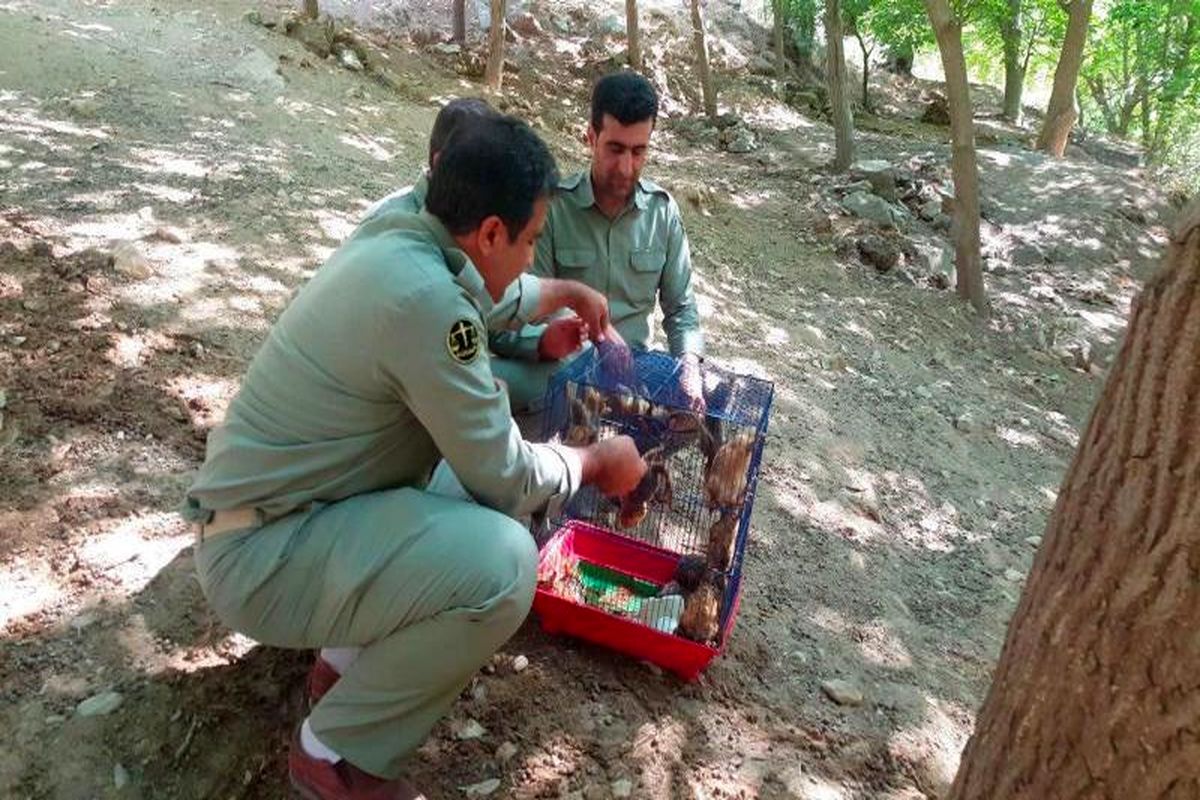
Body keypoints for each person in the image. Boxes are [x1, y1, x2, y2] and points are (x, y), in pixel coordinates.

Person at [183, 115, 646, 800]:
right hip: (261, 559)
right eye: (529, 241)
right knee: (503, 561)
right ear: (490, 232)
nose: (530, 259)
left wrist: (566, 294)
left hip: (277, 521)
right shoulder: (430, 305)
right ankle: (337, 754)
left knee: (462, 484)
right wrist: (597, 460)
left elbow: (503, 292)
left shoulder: (404, 232)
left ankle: (342, 670)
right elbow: (509, 476)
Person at [490, 71, 706, 412]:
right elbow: (528, 305)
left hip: (637, 375)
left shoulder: (661, 213)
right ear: (591, 137)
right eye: (615, 149)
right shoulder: (553, 209)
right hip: (567, 366)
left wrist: (690, 369)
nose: (625, 167)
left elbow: (682, 309)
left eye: (638, 151)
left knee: (703, 405)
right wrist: (597, 342)